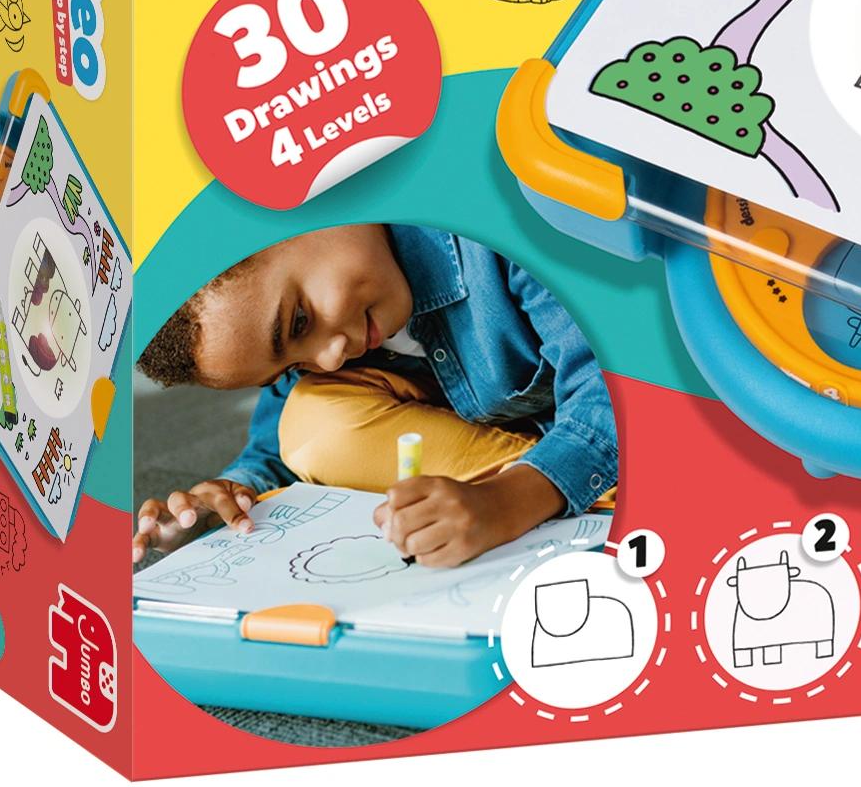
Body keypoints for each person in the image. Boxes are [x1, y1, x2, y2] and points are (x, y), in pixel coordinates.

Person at [131, 224, 616, 569]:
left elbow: (616, 385)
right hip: (516, 433)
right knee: (311, 424)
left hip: (615, 415)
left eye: (299, 321)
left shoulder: (495, 232)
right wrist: (231, 497)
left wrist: (505, 504)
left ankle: (586, 483)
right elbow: (274, 447)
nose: (328, 359)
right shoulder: (330, 337)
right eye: (291, 367)